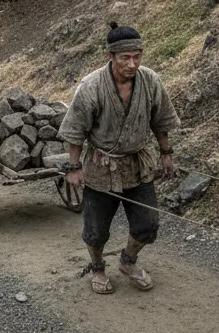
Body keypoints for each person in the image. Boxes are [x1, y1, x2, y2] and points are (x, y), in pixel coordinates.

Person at [59, 23, 179, 295]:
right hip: (101, 166)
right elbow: (76, 130)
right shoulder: (92, 86)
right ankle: (97, 267)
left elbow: (160, 121)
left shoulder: (150, 81)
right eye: (125, 58)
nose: (132, 64)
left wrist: (166, 153)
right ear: (111, 56)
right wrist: (74, 166)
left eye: (137, 57)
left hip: (138, 165)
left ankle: (128, 260)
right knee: (96, 228)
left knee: (148, 224)